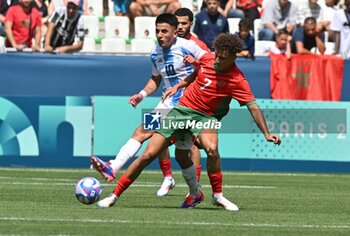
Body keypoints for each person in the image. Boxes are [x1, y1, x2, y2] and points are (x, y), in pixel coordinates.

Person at [96, 33, 281, 211]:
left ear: (234, 57)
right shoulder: (207, 58)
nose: (216, 60)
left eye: (222, 58)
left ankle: (217, 195)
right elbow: (197, 72)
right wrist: (179, 85)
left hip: (206, 117)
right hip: (180, 110)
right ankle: (114, 195)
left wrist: (266, 133)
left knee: (211, 149)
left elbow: (253, 107)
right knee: (149, 154)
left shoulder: (237, 80)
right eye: (216, 55)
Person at [91, 13, 207, 197]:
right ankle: (195, 193)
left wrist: (197, 62)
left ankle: (114, 166)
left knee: (143, 132)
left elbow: (211, 64)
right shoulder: (155, 53)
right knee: (183, 155)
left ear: (175, 32)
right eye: (157, 31)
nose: (160, 35)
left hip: (189, 103)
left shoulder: (189, 46)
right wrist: (142, 94)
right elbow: (155, 79)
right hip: (169, 102)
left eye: (164, 31)